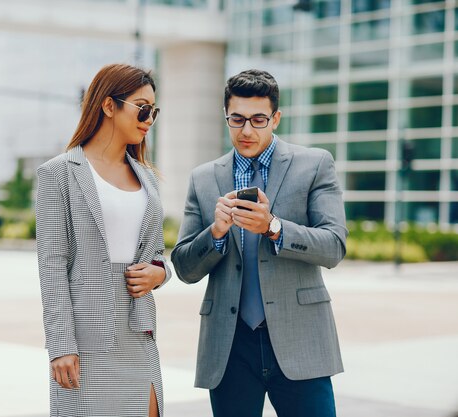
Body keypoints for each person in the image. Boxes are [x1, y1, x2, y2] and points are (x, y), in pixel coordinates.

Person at [171, 69, 348, 417]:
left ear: (276, 118)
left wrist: (274, 227)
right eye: (237, 119)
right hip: (229, 346)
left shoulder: (314, 164)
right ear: (226, 117)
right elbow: (184, 268)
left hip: (301, 340)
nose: (247, 130)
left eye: (258, 119)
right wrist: (216, 234)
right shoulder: (203, 178)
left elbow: (334, 246)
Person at [36, 63, 171, 417]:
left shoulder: (149, 179)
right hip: (85, 340)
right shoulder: (58, 174)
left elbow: (157, 254)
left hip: (138, 332)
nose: (148, 119)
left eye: (153, 112)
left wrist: (161, 273)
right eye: (142, 108)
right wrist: (60, 344)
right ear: (109, 105)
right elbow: (52, 267)